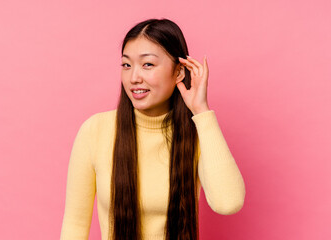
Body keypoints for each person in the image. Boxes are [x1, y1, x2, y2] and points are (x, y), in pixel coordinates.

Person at [60, 18, 246, 240]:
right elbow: (75, 225)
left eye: (147, 64)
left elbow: (229, 202)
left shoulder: (197, 133)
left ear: (178, 72)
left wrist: (202, 111)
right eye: (127, 65)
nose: (134, 78)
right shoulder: (95, 130)